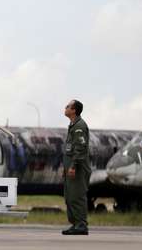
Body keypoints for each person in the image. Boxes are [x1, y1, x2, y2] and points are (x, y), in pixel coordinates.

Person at [62, 99, 91, 236]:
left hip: (77, 168)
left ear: (73, 110)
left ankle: (81, 225)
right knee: (70, 197)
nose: (65, 108)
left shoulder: (79, 126)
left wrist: (73, 166)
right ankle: (76, 224)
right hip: (71, 168)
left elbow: (80, 149)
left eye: (68, 106)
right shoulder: (73, 125)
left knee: (77, 196)